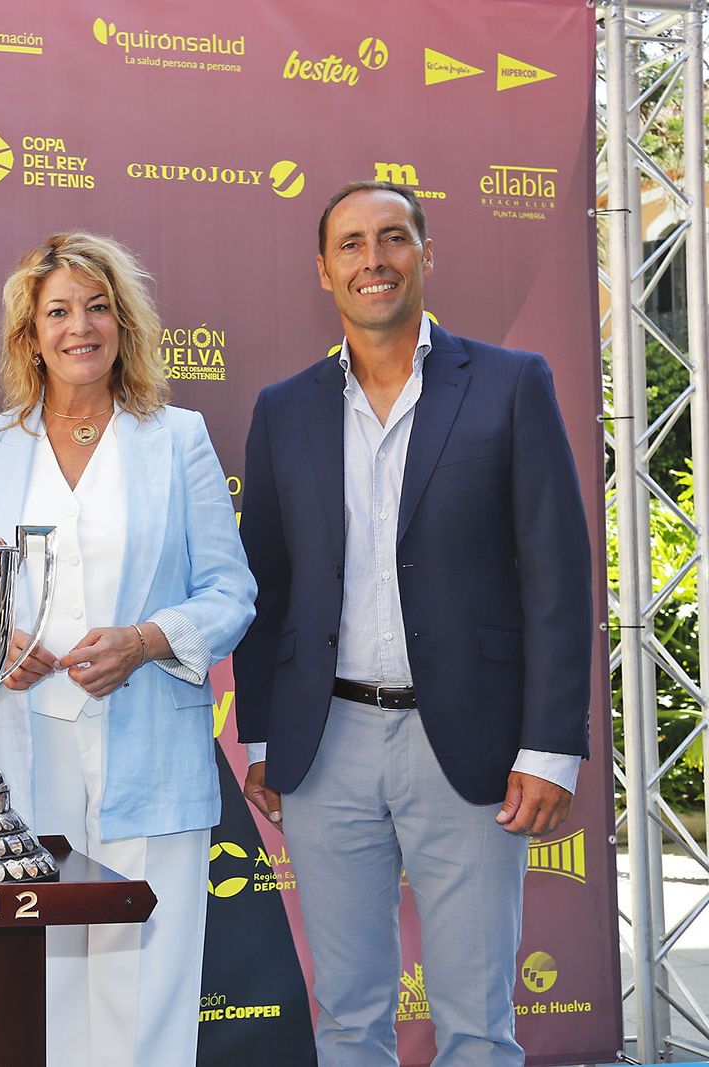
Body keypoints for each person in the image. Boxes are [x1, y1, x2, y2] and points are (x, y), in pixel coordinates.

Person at [235, 181, 592, 1066]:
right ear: (324, 270)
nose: (373, 260)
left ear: (427, 253)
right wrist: (263, 740)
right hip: (327, 745)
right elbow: (264, 587)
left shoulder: (511, 383)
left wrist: (550, 746)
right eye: (351, 244)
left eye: (393, 238)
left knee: (478, 1016)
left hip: (468, 741)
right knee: (349, 1014)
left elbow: (558, 574)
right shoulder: (285, 409)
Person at [0, 231, 257, 1066]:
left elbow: (231, 591)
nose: (78, 326)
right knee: (36, 976)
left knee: (148, 977)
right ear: (30, 334)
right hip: (24, 740)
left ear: (124, 323)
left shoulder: (177, 437)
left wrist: (147, 640)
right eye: (58, 311)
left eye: (97, 307)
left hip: (150, 735)